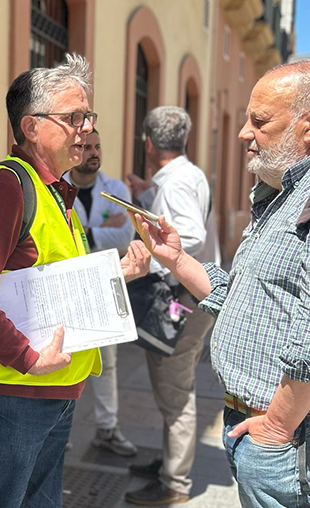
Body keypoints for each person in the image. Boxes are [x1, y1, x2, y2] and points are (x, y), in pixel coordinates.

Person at [0, 54, 151, 507]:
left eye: (88, 116)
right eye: (74, 117)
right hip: (13, 392)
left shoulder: (54, 191)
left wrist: (119, 272)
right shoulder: (6, 187)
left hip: (49, 388)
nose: (85, 128)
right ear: (32, 127)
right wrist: (26, 357)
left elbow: (56, 279)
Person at [132, 61, 310, 507]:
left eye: (260, 121)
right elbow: (237, 297)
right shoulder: (279, 198)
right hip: (255, 428)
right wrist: (173, 256)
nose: (243, 133)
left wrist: (276, 428)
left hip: (279, 440)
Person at [123, 106, 217, 506]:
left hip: (182, 300)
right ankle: (169, 462)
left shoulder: (176, 183)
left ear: (148, 142)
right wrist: (148, 192)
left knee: (175, 391)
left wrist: (156, 252)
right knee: (172, 387)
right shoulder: (186, 175)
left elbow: (190, 233)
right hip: (189, 299)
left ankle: (174, 484)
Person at [62, 129, 138, 457]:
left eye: (96, 146)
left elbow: (125, 236)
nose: (93, 152)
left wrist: (85, 236)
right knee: (64, 361)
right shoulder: (57, 189)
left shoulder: (116, 189)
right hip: (67, 288)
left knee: (107, 364)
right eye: (84, 147)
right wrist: (98, 233)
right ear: (72, 152)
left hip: (105, 287)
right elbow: (63, 245)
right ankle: (59, 433)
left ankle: (107, 428)